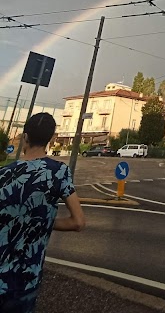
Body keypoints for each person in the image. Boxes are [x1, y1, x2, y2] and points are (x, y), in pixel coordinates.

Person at [0, 112, 85, 312]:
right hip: (26, 279)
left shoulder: (3, 174)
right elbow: (78, 221)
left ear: (25, 137)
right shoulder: (58, 172)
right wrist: (42, 221)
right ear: (51, 140)